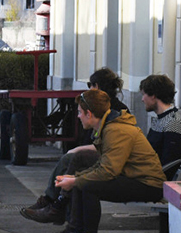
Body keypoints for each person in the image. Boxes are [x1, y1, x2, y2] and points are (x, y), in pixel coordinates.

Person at [39, 88, 165, 233]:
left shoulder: (116, 130)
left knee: (88, 187)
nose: (78, 117)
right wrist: (76, 178)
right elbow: (103, 166)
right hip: (135, 178)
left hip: (148, 185)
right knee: (84, 182)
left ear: (89, 114)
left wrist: (76, 180)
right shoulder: (108, 127)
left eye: (79, 113)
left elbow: (108, 171)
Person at [20, 67, 128, 224]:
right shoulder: (109, 107)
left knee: (73, 164)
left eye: (90, 85)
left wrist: (77, 150)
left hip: (111, 162)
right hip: (103, 158)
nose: (89, 89)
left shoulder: (114, 111)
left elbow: (107, 145)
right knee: (73, 166)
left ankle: (54, 205)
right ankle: (62, 215)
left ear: (97, 87)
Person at [139, 74, 181, 165]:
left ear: (153, 95)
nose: (142, 99)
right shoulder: (161, 120)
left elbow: (169, 164)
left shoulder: (174, 123)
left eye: (144, 94)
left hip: (156, 176)